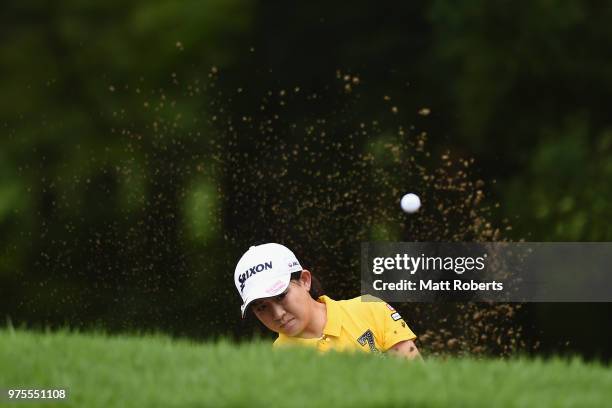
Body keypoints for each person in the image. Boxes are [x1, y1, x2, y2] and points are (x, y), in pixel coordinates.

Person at [234, 243, 421, 359]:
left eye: (281, 295)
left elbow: (416, 380)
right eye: (262, 307)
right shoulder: (276, 362)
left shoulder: (371, 309)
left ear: (305, 280)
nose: (278, 314)